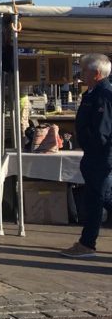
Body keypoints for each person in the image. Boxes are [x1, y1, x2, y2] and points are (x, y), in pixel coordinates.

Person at [61, 53, 112, 258]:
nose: (81, 74)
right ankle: (87, 242)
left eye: (84, 70)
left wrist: (93, 146)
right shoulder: (90, 94)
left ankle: (87, 243)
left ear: (97, 73)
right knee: (100, 197)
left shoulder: (104, 95)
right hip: (93, 156)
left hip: (101, 156)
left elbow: (102, 130)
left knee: (98, 198)